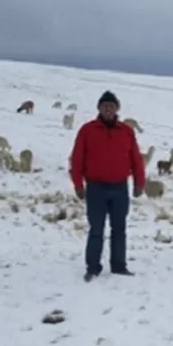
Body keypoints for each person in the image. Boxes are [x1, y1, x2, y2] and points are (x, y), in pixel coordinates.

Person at [69, 91, 145, 282]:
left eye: (112, 106)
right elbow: (77, 158)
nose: (108, 109)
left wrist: (139, 182)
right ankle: (93, 267)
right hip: (96, 188)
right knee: (96, 229)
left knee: (119, 228)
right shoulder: (87, 130)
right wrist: (78, 184)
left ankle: (119, 265)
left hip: (120, 187)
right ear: (99, 108)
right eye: (105, 106)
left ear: (117, 108)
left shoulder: (126, 131)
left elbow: (135, 158)